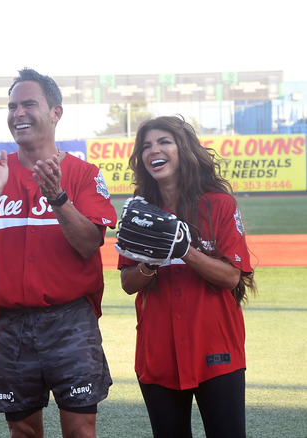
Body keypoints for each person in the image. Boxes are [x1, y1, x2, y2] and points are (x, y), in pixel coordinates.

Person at [0, 68, 117, 438]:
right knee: (23, 431)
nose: (18, 113)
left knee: (80, 430)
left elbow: (90, 243)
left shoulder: (83, 173)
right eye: (12, 106)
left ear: (56, 113)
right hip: (10, 323)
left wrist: (58, 197)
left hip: (71, 320)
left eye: (29, 104)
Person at [118, 116, 256, 438]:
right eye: (147, 145)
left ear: (184, 148)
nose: (155, 149)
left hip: (216, 350)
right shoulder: (140, 212)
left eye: (164, 141)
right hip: (158, 351)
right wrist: (151, 261)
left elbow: (232, 277)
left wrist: (185, 250)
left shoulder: (219, 204)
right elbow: (127, 283)